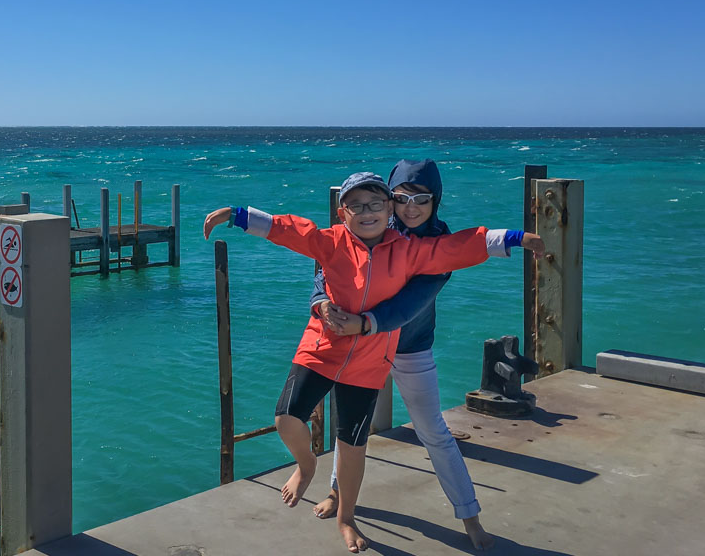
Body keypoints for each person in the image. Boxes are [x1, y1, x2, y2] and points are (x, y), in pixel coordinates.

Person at [202, 172, 543, 553]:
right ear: (342, 211)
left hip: (375, 356)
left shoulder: (410, 250)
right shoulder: (332, 241)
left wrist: (514, 238)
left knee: (355, 444)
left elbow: (456, 248)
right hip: (323, 346)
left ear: (389, 208)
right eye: (358, 206)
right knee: (286, 417)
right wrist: (238, 214)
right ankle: (307, 465)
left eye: (377, 204)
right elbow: (291, 231)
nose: (369, 212)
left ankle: (350, 518)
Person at [310, 159, 494, 551]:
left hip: (410, 346)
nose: (411, 208)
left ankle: (470, 518)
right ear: (389, 199)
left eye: (422, 199)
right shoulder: (373, 223)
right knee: (351, 429)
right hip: (365, 347)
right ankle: (337, 496)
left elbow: (408, 306)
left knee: (434, 432)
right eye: (401, 198)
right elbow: (329, 261)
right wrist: (322, 299)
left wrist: (363, 323)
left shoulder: (442, 248)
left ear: (436, 201)